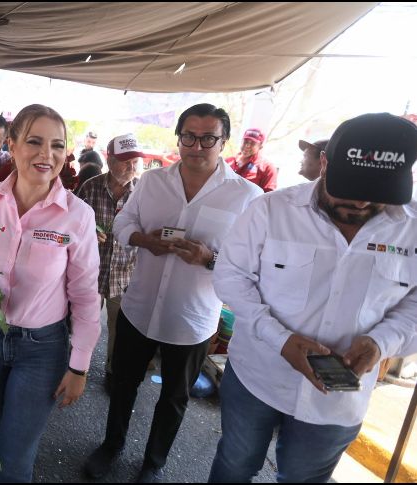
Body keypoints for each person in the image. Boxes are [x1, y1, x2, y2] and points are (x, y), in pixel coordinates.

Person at [208, 113, 417, 483]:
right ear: (324, 163)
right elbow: (231, 276)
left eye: (378, 192)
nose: (362, 202)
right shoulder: (272, 210)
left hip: (338, 402)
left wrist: (382, 343)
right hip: (258, 377)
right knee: (235, 466)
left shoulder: (412, 230)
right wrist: (280, 338)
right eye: (351, 187)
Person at [83, 103, 263, 483]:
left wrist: (209, 257)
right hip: (140, 305)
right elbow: (123, 222)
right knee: (123, 382)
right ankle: (111, 444)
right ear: (179, 139)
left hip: (192, 317)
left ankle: (154, 462)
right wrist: (143, 240)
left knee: (175, 397)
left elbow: (252, 261)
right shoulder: (152, 182)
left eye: (208, 138)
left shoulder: (246, 196)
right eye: (189, 137)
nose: (197, 146)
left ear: (223, 141)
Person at [0, 103, 102, 483]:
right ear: (12, 146)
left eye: (56, 145)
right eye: (34, 141)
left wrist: (79, 364)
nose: (46, 154)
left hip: (41, 348)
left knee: (16, 452)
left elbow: (85, 296)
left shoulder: (77, 215)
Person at [76, 133, 142, 391]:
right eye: (125, 161)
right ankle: (75, 366)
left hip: (124, 273)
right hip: (91, 270)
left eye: (135, 161)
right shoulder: (90, 187)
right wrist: (88, 232)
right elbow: (71, 223)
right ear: (109, 160)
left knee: (120, 329)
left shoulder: (143, 193)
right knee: (83, 320)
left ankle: (113, 371)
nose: (131, 167)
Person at [226, 128, 278, 192]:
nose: (247, 146)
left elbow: (268, 195)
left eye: (252, 143)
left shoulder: (267, 168)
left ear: (260, 146)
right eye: (245, 141)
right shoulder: (228, 161)